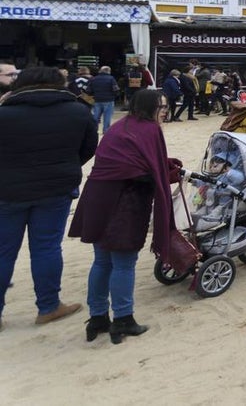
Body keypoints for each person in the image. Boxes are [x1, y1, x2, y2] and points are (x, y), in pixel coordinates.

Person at [68, 89, 180, 344]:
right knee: (123, 263)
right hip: (125, 201)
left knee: (102, 262)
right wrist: (165, 172)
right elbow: (145, 169)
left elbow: (134, 160)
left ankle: (97, 318)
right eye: (160, 106)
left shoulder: (120, 126)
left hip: (98, 198)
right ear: (148, 107)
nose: (164, 110)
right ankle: (123, 319)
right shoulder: (150, 129)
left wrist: (164, 167)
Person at [0, 67, 98, 332]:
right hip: (56, 189)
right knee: (46, 248)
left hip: (7, 191)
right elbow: (90, 146)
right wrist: (67, 165)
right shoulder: (78, 111)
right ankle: (48, 306)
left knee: (3, 251)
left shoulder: (4, 113)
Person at [88, 66, 119, 134]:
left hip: (97, 100)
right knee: (107, 116)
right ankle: (106, 130)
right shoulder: (111, 79)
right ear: (108, 71)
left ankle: (94, 130)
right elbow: (116, 89)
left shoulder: (93, 79)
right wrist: (114, 96)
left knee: (96, 116)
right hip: (109, 100)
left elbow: (89, 91)